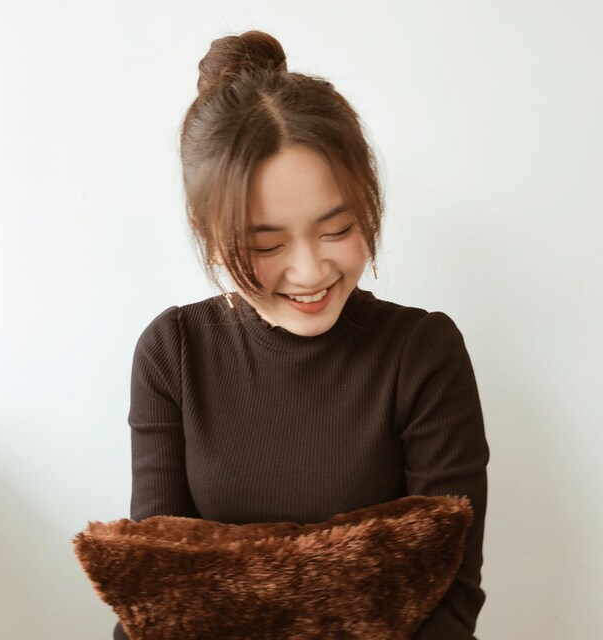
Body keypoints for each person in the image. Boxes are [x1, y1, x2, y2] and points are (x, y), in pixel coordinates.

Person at [114, 30, 489, 640]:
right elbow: (158, 590)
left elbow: (449, 596)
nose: (310, 272)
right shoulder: (173, 353)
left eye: (337, 230)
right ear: (206, 233)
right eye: (266, 245)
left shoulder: (422, 354)